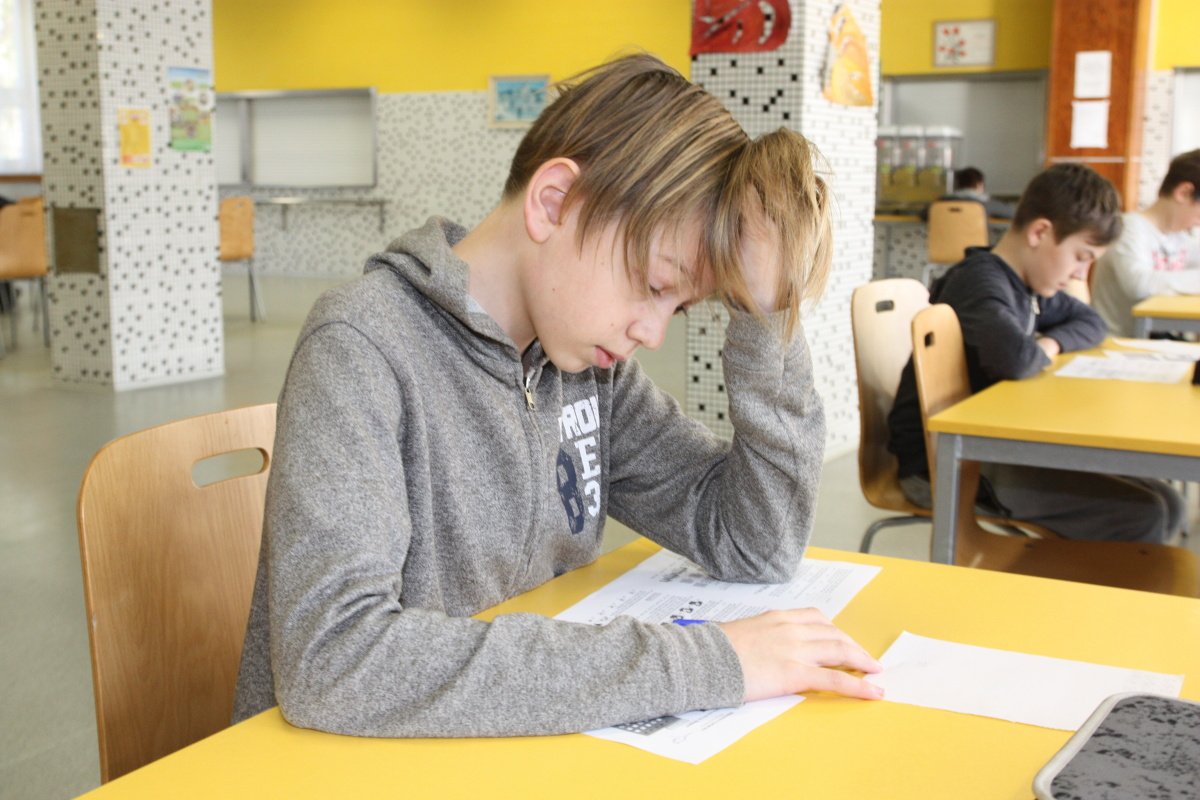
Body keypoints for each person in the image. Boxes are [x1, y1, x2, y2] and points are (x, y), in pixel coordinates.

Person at [232, 54, 883, 738]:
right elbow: (335, 659)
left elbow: (756, 544)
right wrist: (705, 662)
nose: (653, 333)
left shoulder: (587, 372)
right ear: (555, 203)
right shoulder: (362, 346)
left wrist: (766, 317)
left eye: (682, 307)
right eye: (655, 286)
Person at [888, 163, 1185, 544]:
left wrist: (1048, 344)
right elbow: (1017, 359)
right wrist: (1036, 349)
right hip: (940, 463)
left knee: (1169, 503)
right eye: (1080, 256)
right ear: (1040, 232)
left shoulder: (1028, 285)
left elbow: (1091, 321)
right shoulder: (980, 283)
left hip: (987, 445)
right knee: (1145, 514)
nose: (1080, 274)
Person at [1091, 149, 1200, 337]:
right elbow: (1139, 285)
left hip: (1161, 340)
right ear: (1184, 193)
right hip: (1120, 342)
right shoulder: (1128, 228)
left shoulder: (1182, 235)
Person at [919, 166, 1015, 221]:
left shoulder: (938, 204)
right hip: (976, 248)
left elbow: (923, 214)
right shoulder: (986, 204)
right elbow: (1013, 213)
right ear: (979, 184)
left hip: (941, 247)